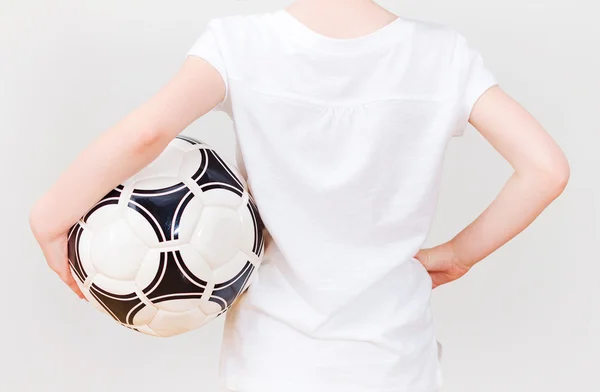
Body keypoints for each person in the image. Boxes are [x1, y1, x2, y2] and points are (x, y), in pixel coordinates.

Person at [29, 0, 570, 391]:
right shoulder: (443, 55)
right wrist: (456, 255)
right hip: (397, 362)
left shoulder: (237, 44)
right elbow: (545, 169)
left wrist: (48, 217)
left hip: (272, 363)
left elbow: (146, 137)